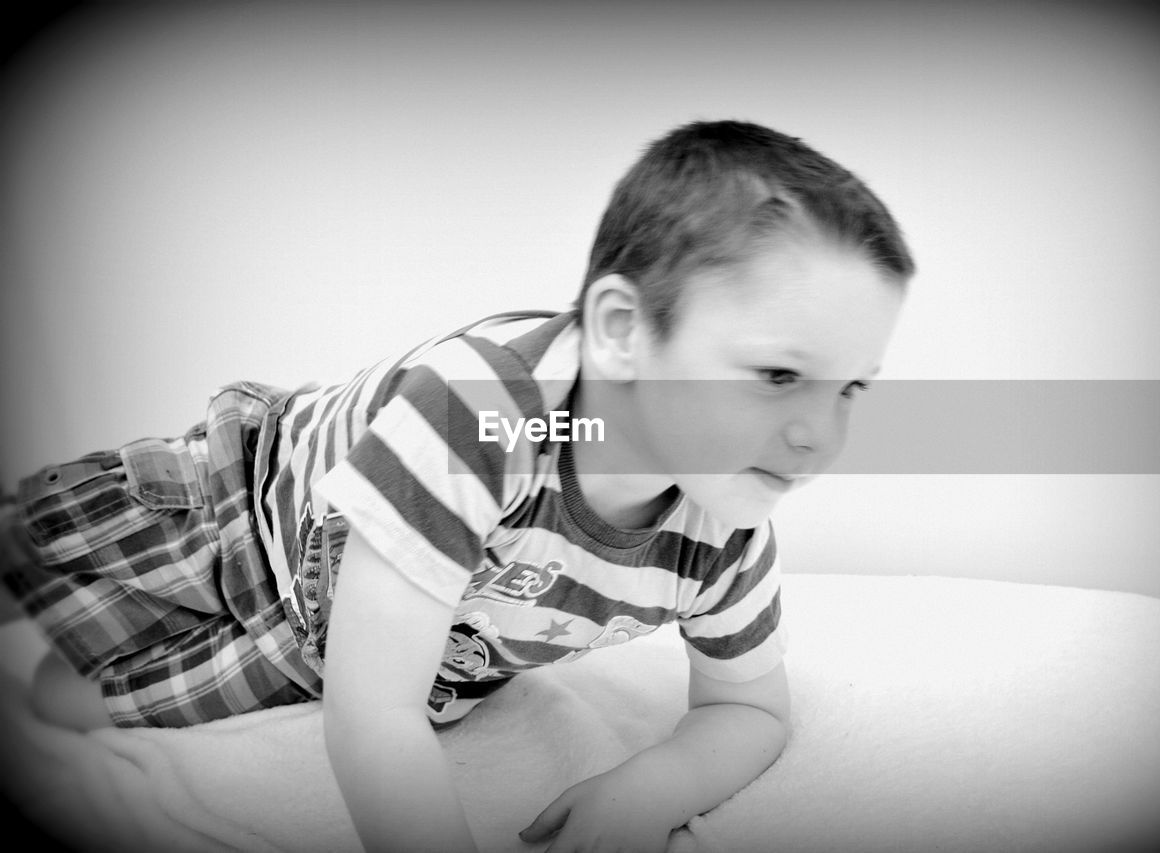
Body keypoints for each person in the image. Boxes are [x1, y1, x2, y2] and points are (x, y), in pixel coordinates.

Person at [1, 119, 915, 852]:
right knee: (27, 554)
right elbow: (377, 717)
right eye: (777, 376)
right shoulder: (488, 415)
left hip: (326, 639)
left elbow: (750, 707)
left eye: (853, 389)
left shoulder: (724, 527)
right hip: (242, 506)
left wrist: (645, 790)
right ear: (625, 332)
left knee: (61, 696)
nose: (819, 435)